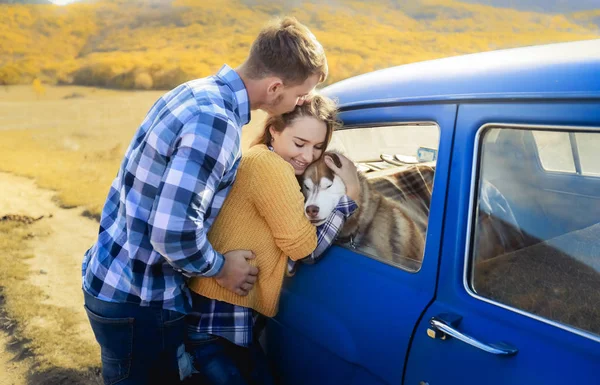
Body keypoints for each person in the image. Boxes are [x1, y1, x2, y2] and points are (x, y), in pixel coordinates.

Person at [81, 17, 328, 385]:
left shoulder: (193, 92)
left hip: (110, 275)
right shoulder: (215, 122)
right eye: (298, 95)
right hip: (143, 299)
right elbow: (171, 233)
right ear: (275, 87)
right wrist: (219, 267)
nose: (300, 102)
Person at [184, 94, 360, 385]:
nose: (307, 155)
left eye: (318, 147)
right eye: (299, 143)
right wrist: (350, 194)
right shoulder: (268, 166)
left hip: (225, 324)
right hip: (216, 326)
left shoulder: (264, 161)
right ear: (275, 130)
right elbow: (306, 249)